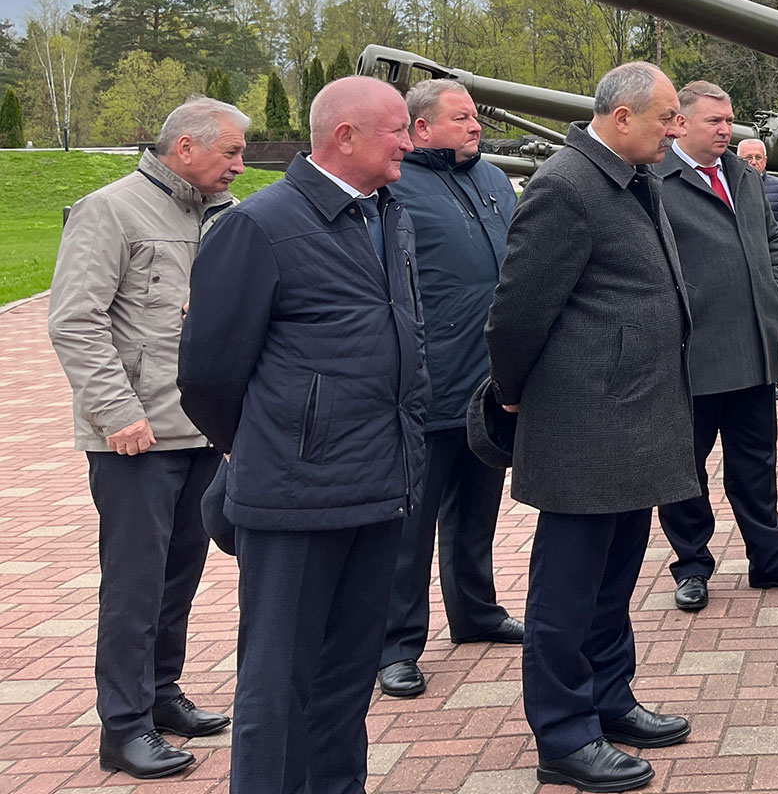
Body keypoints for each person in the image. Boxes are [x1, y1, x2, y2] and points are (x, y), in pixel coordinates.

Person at [178, 77, 429, 794]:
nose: (409, 143)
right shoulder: (259, 227)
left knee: (346, 680)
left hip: (380, 486)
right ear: (344, 136)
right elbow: (208, 374)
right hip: (295, 499)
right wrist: (272, 443)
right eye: (396, 131)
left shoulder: (389, 215)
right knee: (277, 687)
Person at [486, 62, 699, 793]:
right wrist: (513, 394)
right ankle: (564, 735)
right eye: (667, 116)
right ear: (621, 117)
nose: (676, 129)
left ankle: (610, 699)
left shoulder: (633, 178)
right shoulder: (567, 186)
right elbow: (516, 313)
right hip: (584, 428)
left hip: (633, 421)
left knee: (612, 583)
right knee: (567, 592)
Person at [48, 97, 247, 779]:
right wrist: (116, 412)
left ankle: (162, 695)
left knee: (179, 577)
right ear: (185, 147)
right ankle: (124, 726)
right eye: (231, 151)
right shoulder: (110, 210)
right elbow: (75, 320)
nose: (240, 165)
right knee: (134, 588)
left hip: (198, 432)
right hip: (134, 437)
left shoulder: (221, 215)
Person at [652, 83, 778, 614]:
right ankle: (692, 566)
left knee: (756, 466)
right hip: (692, 356)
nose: (726, 130)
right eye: (715, 121)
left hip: (753, 351)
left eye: (730, 120)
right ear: (681, 123)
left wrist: (775, 300)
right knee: (685, 469)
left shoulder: (744, 177)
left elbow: (773, 241)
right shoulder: (656, 180)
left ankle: (771, 560)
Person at [375, 80, 523, 700]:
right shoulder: (396, 187)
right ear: (421, 128)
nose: (475, 126)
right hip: (428, 383)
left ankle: (476, 612)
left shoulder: (493, 181)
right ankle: (395, 645)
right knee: (409, 525)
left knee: (476, 509)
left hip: (488, 382)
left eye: (475, 116)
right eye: (460, 118)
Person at [738, 138, 778, 237]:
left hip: (771, 245)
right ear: (738, 160)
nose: (753, 162)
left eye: (758, 158)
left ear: (765, 160)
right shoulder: (729, 185)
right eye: (748, 158)